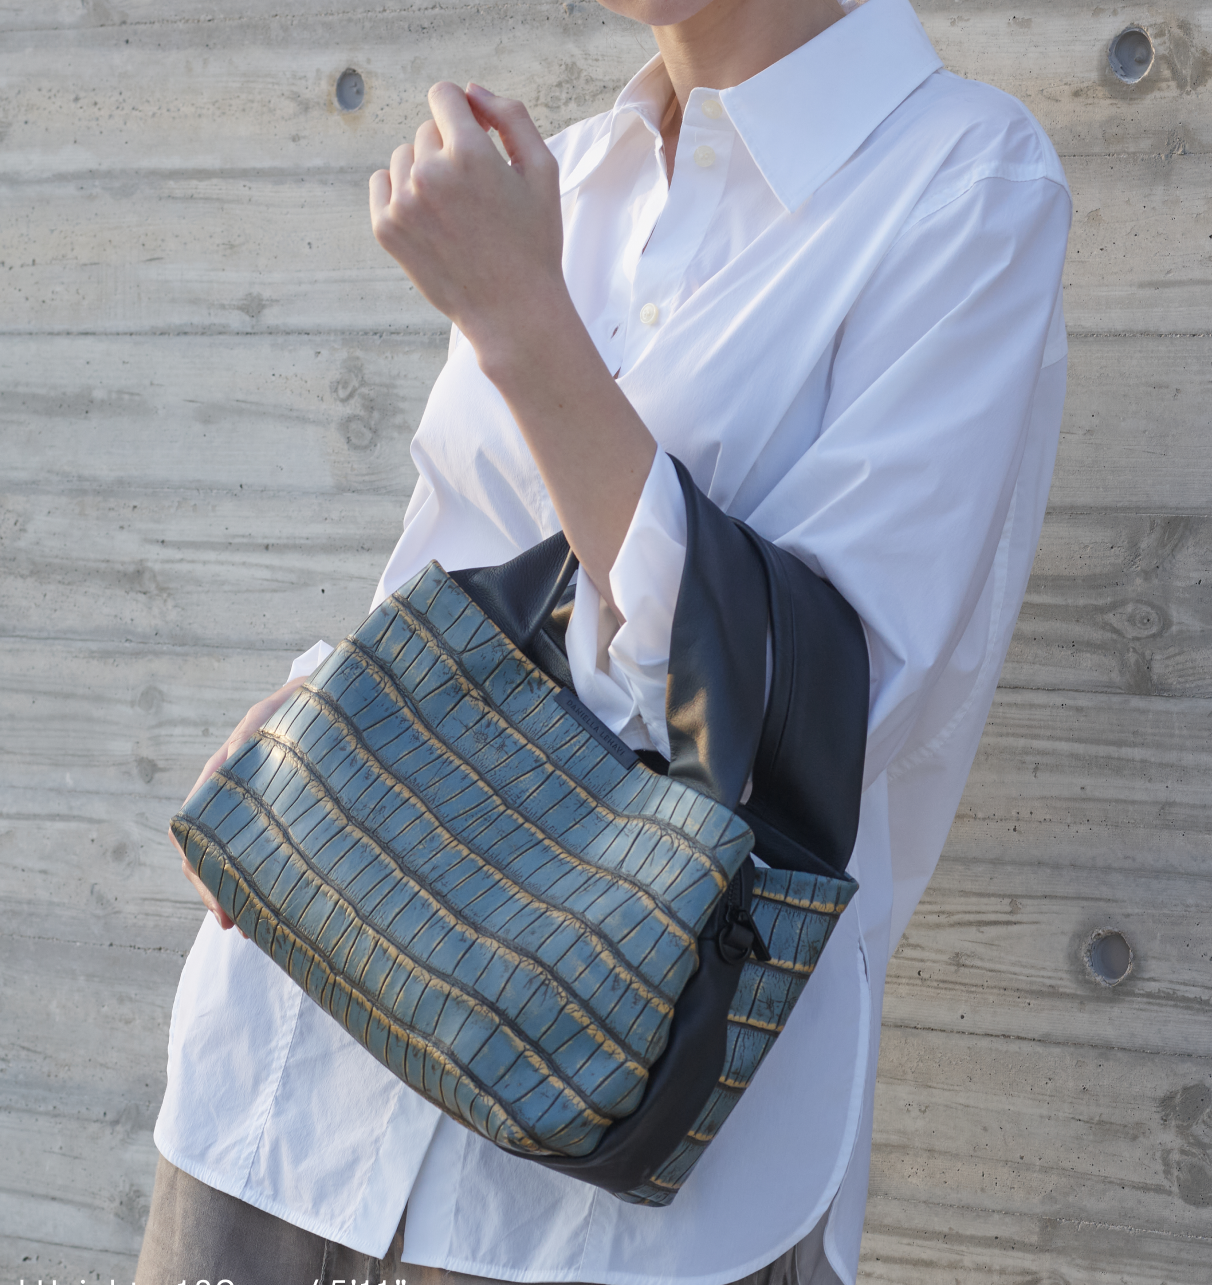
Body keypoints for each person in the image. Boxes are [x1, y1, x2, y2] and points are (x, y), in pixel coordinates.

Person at [134, 0, 1071, 1279]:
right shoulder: (563, 176)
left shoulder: (963, 182)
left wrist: (525, 318)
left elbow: (811, 726)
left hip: (614, 1176)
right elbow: (443, 584)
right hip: (291, 1090)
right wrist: (318, 705)